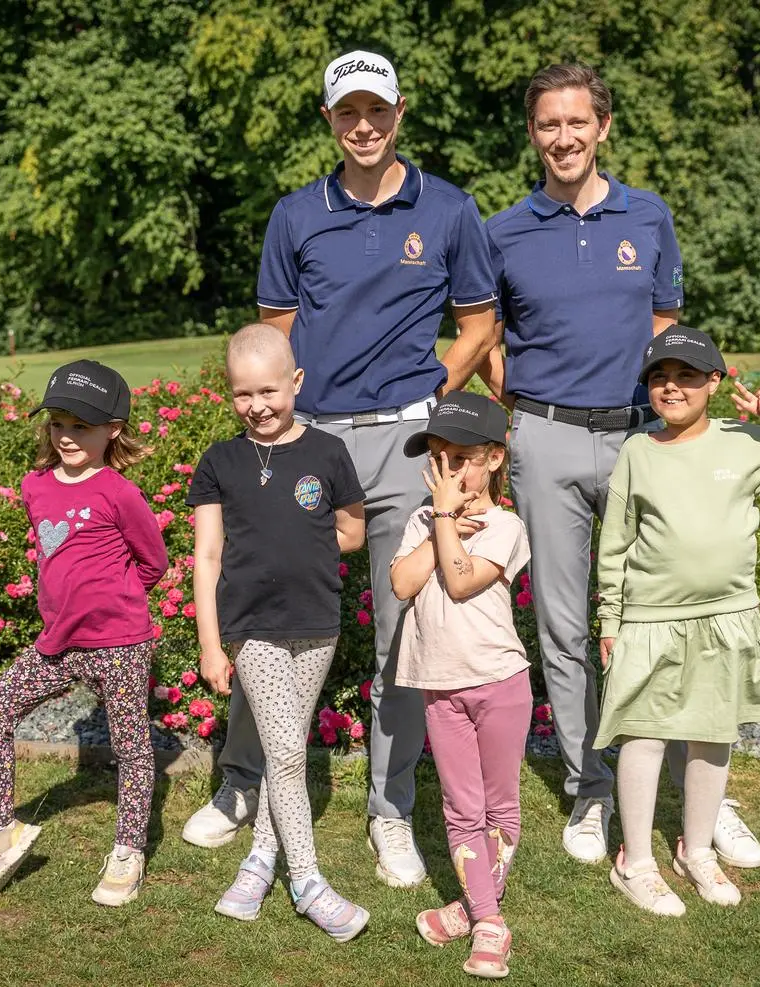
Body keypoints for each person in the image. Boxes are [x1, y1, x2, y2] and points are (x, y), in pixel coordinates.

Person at [182, 49, 499, 889]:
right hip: (310, 443)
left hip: (404, 444)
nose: (363, 125)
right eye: (347, 112)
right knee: (268, 609)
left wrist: (437, 390)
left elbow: (476, 322)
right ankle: (243, 781)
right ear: (329, 120)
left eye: (377, 110)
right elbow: (276, 334)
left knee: (404, 631)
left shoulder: (451, 209)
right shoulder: (296, 214)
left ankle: (389, 809)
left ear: (401, 112)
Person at [483, 62, 760, 867]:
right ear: (532, 133)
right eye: (547, 124)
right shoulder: (504, 231)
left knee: (669, 620)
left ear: (603, 126)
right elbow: (485, 340)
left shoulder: (650, 216)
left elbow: (665, 325)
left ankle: (702, 795)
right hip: (546, 440)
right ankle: (590, 785)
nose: (563, 137)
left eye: (577, 122)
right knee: (565, 627)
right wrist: (520, 419)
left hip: (645, 438)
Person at [594, 327, 760, 914]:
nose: (670, 387)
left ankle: (697, 850)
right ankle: (636, 861)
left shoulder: (746, 442)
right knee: (644, 733)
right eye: (658, 378)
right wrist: (611, 618)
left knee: (711, 734)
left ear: (715, 383)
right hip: (650, 620)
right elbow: (616, 542)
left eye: (684, 376)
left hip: (727, 617)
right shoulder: (637, 451)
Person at [189, 325, 370, 941]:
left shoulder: (327, 453)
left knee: (283, 749)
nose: (257, 406)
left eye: (268, 390)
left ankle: (259, 859)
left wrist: (305, 547)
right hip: (252, 627)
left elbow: (352, 531)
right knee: (290, 754)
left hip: (316, 623)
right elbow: (208, 558)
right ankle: (308, 881)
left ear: (295, 383)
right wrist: (212, 644)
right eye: (242, 395)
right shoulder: (220, 462)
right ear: (230, 394)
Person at [0, 360, 168, 907]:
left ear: (113, 431)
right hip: (56, 644)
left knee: (131, 748)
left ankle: (128, 850)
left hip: (120, 646)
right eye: (58, 422)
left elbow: (153, 562)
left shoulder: (120, 493)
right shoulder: (35, 487)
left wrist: (115, 603)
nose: (66, 436)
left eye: (81, 426)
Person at [391, 393, 531, 979]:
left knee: (498, 806)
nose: (449, 472)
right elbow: (402, 584)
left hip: (500, 682)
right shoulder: (421, 521)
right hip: (438, 686)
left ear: (495, 458)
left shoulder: (507, 525)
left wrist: (445, 520)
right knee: (460, 806)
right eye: (439, 458)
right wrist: (439, 521)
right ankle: (483, 912)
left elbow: (459, 580)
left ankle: (484, 922)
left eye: (464, 459)